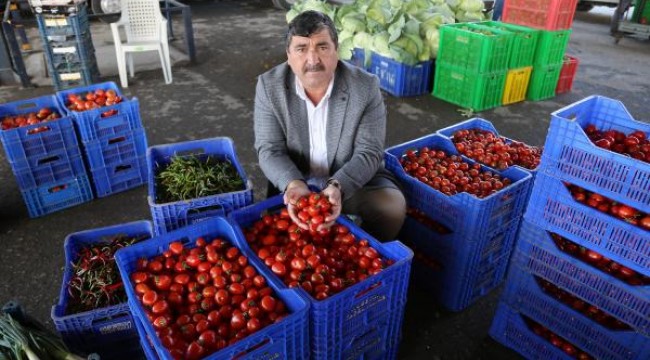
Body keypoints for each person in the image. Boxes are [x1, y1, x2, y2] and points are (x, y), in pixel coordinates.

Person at [253, 10, 406, 242]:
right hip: (297, 179)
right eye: (301, 49)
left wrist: (338, 186)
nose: (313, 60)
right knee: (280, 238)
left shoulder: (365, 88)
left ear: (336, 51)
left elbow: (369, 151)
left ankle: (367, 254)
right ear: (289, 55)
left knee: (391, 208)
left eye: (322, 47)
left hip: (348, 178)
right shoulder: (269, 87)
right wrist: (293, 183)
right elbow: (269, 149)